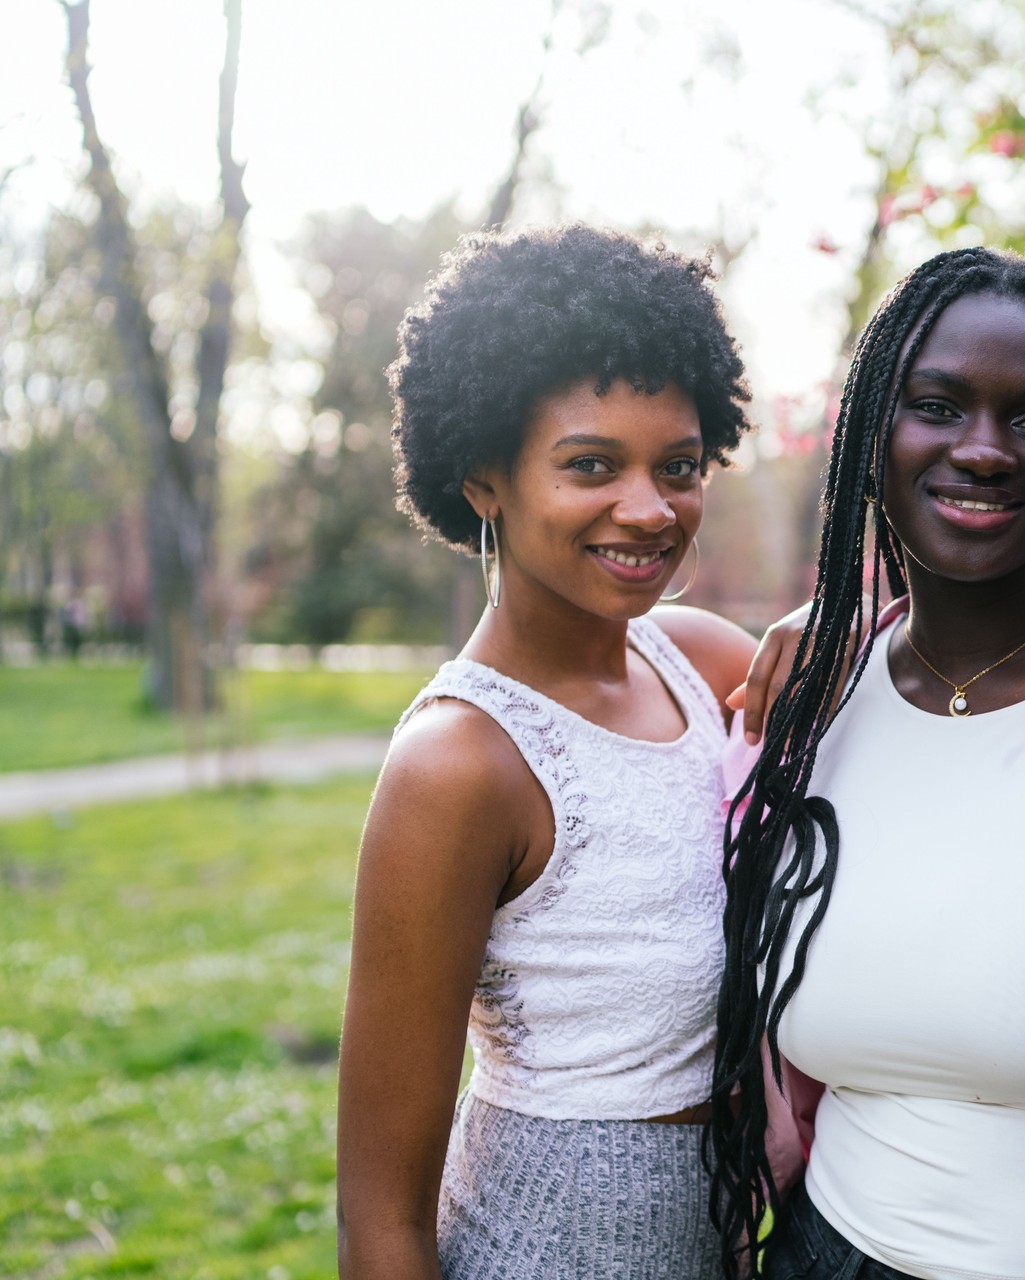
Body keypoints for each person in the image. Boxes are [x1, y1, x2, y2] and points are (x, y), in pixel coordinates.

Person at [707, 247, 1025, 1280]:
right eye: (938, 406)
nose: (983, 449)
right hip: (825, 1254)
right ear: (874, 437)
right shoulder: (807, 705)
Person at [335, 224, 759, 1279]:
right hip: (548, 1245)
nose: (650, 508)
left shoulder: (707, 665)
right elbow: (380, 1216)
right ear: (484, 477)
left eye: (679, 465)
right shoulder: (461, 764)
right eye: (591, 466)